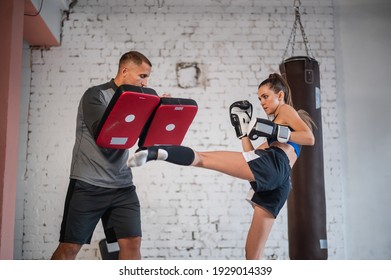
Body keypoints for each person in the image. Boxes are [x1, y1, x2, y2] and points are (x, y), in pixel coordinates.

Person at [127, 73, 315, 259]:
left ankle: (156, 151)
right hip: (279, 180)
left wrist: (275, 130)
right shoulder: (280, 132)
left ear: (280, 95)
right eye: (259, 99)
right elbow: (251, 156)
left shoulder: (285, 111)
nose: (262, 103)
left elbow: (309, 138)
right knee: (252, 254)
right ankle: (157, 151)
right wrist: (243, 134)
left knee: (204, 159)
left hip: (275, 166)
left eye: (265, 96)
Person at [51, 51, 156, 260]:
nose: (146, 82)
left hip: (122, 185)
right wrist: (140, 110)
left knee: (132, 244)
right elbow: (105, 134)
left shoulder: (140, 100)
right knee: (70, 247)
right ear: (125, 71)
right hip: (89, 184)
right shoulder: (96, 95)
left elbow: (144, 141)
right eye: (142, 76)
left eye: (148, 77)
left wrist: (156, 112)